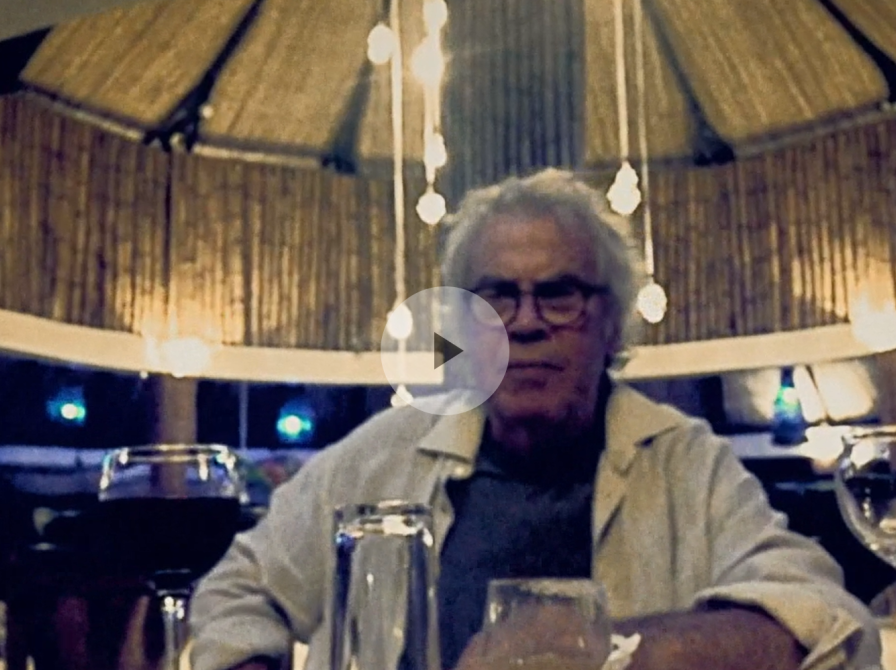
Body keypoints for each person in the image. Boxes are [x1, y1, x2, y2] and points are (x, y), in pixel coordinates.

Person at [189, 169, 881, 670]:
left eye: (558, 294)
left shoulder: (683, 462)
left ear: (612, 324)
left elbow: (831, 624)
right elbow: (238, 590)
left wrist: (595, 643)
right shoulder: (383, 454)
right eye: (497, 296)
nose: (523, 323)